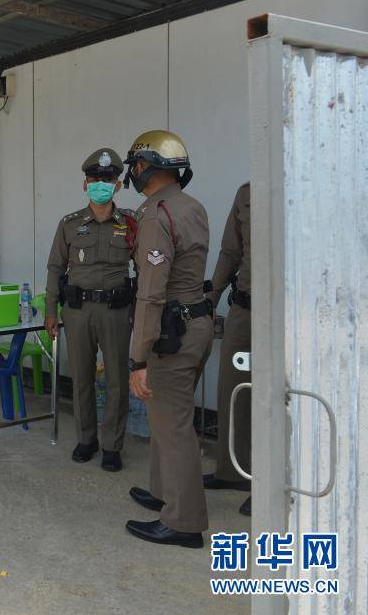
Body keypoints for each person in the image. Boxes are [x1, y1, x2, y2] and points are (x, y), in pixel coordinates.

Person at [123, 130, 213, 549]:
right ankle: (164, 493)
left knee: (174, 428)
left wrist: (138, 358)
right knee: (167, 418)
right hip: (196, 325)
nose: (133, 173)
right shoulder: (191, 206)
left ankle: (183, 522)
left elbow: (151, 294)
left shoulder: (156, 216)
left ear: (145, 167)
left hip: (171, 334)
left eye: (135, 166)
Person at [44, 148, 135, 472]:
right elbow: (55, 267)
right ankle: (86, 439)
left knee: (116, 381)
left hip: (115, 311)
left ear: (118, 185)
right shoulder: (69, 224)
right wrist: (50, 310)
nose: (100, 184)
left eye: (107, 179)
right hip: (78, 310)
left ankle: (112, 445)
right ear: (85, 184)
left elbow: (145, 268)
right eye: (95, 179)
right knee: (81, 377)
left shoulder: (131, 223)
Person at [206, 183, 252, 516]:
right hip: (245, 309)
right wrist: (210, 298)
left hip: (289, 313)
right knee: (233, 389)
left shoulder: (309, 183)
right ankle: (232, 471)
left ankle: (271, 483)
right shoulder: (247, 193)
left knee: (282, 398)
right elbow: (230, 252)